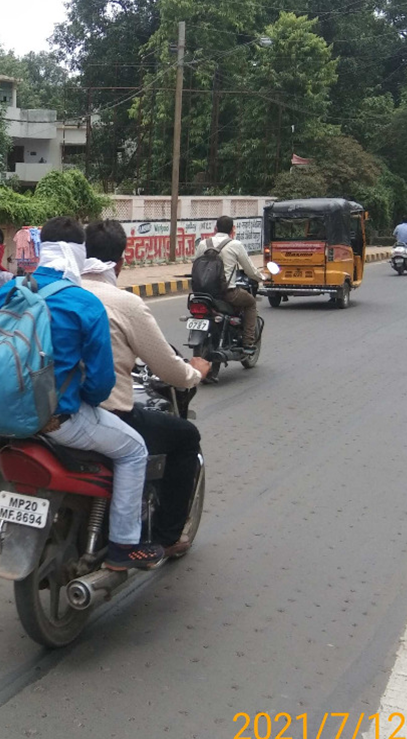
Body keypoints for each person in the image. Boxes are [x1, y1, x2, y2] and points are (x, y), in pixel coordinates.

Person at [0, 216, 162, 571]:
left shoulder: (7, 292)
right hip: (57, 421)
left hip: (1, 416)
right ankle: (124, 545)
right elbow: (99, 384)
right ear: (80, 254)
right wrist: (87, 401)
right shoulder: (83, 302)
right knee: (134, 450)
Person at [82, 220, 209, 558]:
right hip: (106, 412)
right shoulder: (125, 304)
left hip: (53, 411)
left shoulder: (57, 293)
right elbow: (167, 367)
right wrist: (194, 373)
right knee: (185, 437)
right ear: (121, 263)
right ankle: (166, 539)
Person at [199, 215, 264, 353]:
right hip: (227, 293)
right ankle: (248, 342)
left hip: (203, 294)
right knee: (251, 303)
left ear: (215, 228)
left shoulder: (203, 244)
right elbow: (250, 270)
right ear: (232, 229)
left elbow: (197, 264)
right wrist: (262, 278)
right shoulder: (235, 245)